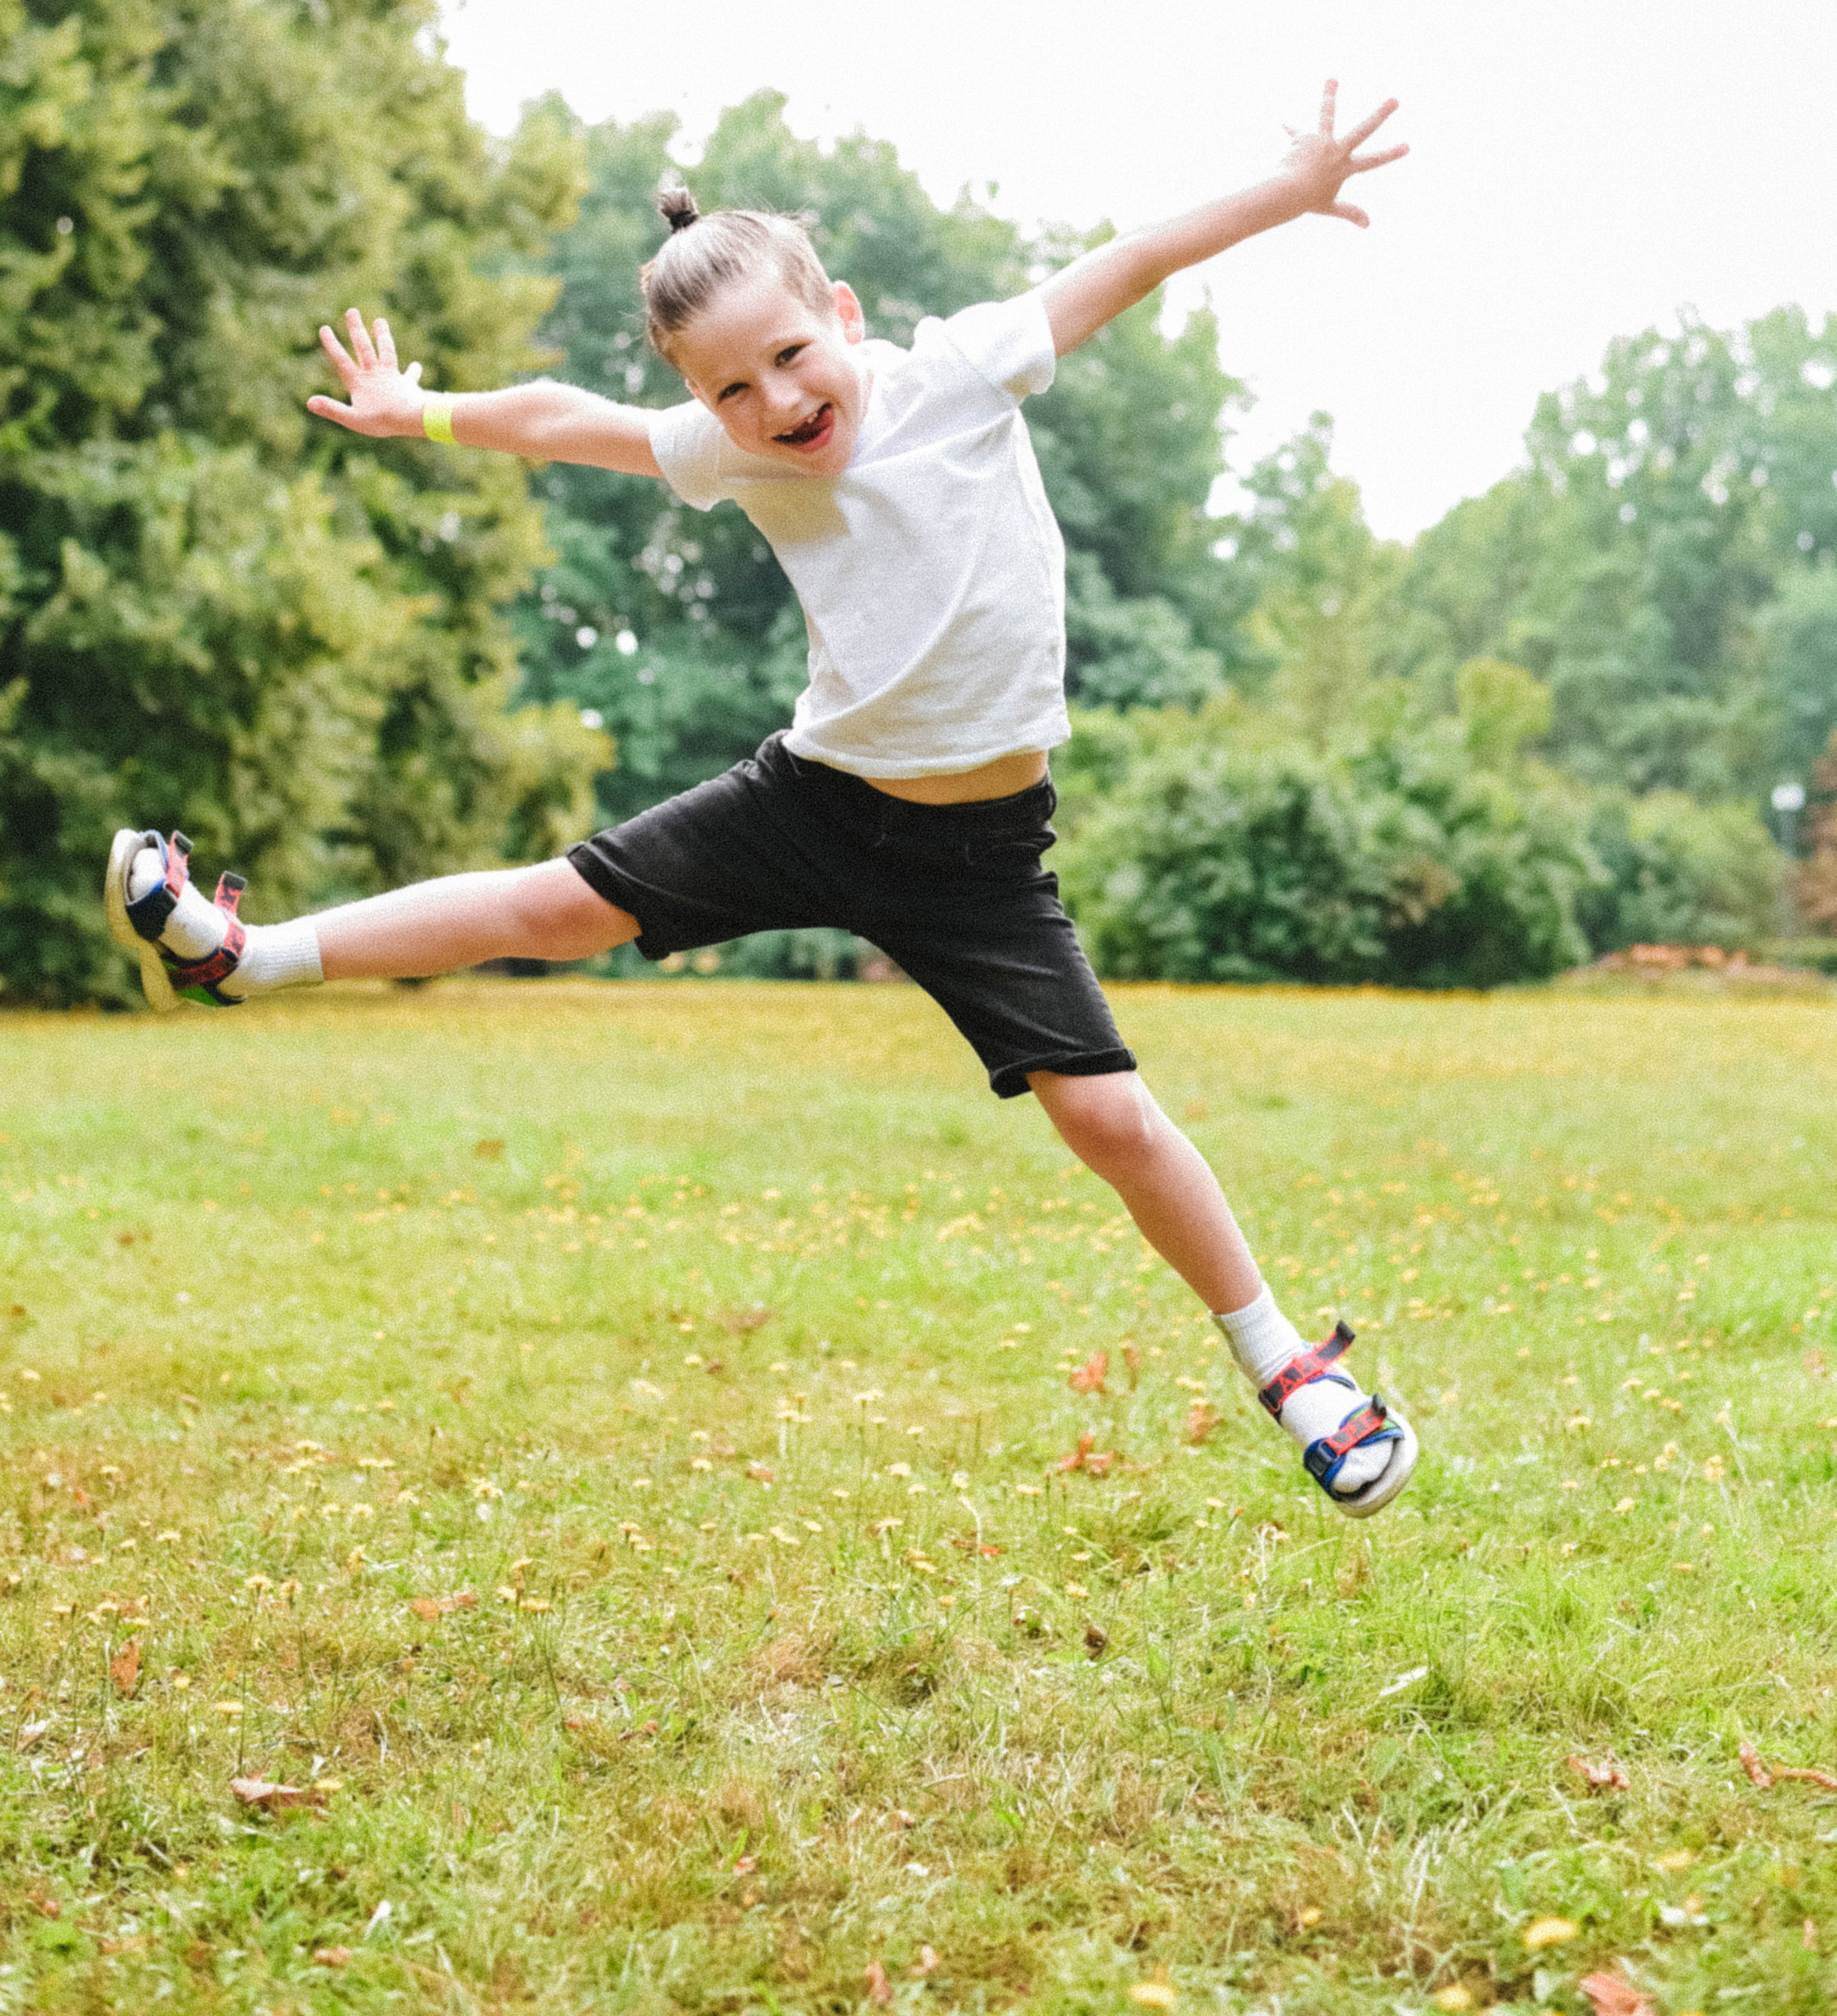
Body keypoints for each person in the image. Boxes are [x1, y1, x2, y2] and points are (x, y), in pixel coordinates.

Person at [106, 81, 1416, 1518]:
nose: (777, 404)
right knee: (555, 906)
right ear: (703, 400)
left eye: (791, 358)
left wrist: (1285, 192)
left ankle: (1287, 1365)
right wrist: (423, 415)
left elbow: (1131, 258)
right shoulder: (720, 450)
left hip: (973, 857)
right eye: (732, 389)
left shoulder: (964, 374)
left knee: (1106, 1120)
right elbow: (565, 418)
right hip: (809, 797)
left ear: (841, 316)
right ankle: (244, 952)